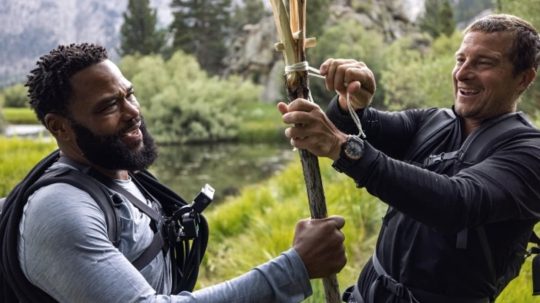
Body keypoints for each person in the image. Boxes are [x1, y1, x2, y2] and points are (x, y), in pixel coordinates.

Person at [0, 43, 346, 303]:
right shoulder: (59, 211)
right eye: (109, 106)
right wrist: (295, 267)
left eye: (129, 94)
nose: (133, 112)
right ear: (59, 127)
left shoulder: (116, 169)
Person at [278, 14, 540, 303]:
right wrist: (349, 103)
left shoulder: (528, 153)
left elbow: (455, 203)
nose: (462, 73)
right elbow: (357, 127)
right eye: (460, 60)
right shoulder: (433, 121)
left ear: (524, 78)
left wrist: (343, 148)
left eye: (484, 62)